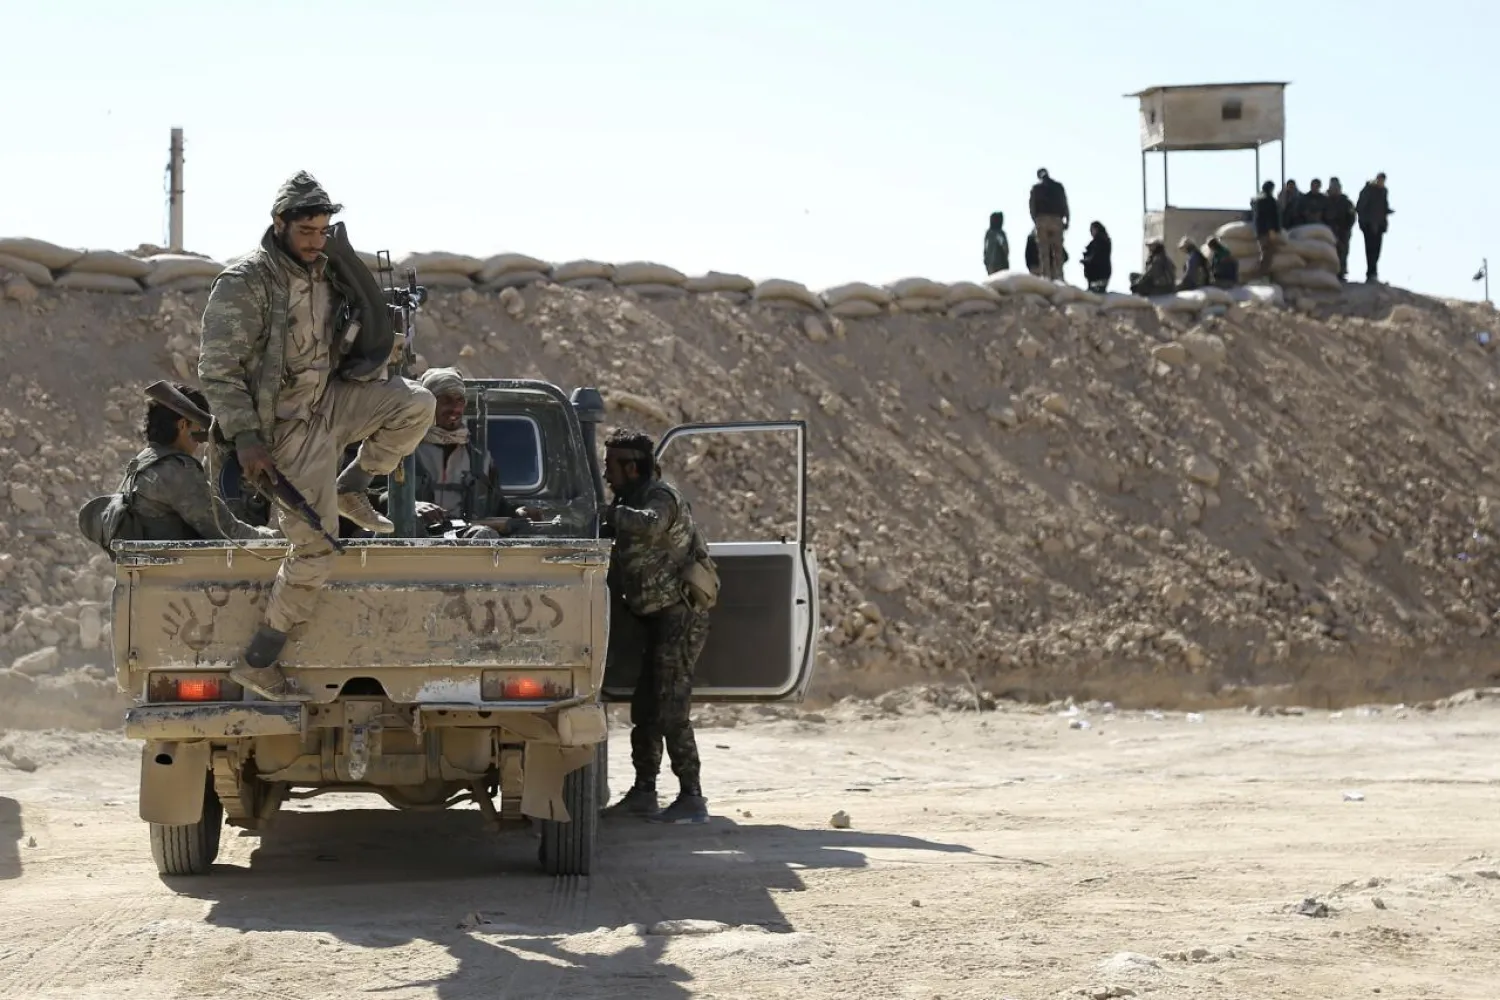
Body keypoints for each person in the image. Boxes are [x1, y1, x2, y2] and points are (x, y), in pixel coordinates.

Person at [198, 170, 436, 701]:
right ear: (279, 223)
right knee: (316, 546)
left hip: (329, 403)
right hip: (284, 428)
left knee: (417, 404)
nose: (314, 241)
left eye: (322, 231)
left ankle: (355, 485)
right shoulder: (245, 282)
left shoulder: (329, 273)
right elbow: (218, 370)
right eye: (305, 231)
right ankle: (260, 658)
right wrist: (245, 437)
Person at [599, 428, 713, 825]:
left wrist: (606, 513)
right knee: (646, 708)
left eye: (611, 465)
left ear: (632, 467)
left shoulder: (660, 497)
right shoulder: (627, 500)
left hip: (678, 617)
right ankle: (644, 791)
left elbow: (651, 525)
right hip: (653, 619)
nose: (606, 474)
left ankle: (692, 796)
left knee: (671, 709)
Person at [100, 384, 278, 543]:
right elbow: (227, 532)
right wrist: (278, 539)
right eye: (199, 427)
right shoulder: (176, 471)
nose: (201, 438)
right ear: (183, 425)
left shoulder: (141, 464)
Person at [410, 366, 531, 538]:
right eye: (446, 400)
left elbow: (496, 504)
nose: (455, 408)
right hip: (413, 542)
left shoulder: (480, 459)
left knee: (484, 536)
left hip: (465, 541)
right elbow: (377, 494)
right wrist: (411, 506)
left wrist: (517, 512)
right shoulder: (403, 450)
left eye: (460, 400)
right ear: (429, 403)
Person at [1028, 168, 1070, 281]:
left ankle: (1046, 276)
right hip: (1057, 219)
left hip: (1042, 219)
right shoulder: (1058, 187)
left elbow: (1032, 206)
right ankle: (1059, 276)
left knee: (1044, 251)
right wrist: (1067, 220)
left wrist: (1036, 220)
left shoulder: (1036, 189)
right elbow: (1065, 203)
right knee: (1058, 252)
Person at [1356, 172, 1394, 283]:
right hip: (1368, 225)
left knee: (1377, 250)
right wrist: (1367, 222)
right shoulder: (1368, 190)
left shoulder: (1384, 191)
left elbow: (1384, 206)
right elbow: (1360, 207)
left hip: (1379, 226)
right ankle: (1371, 273)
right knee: (1370, 250)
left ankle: (1373, 273)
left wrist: (1387, 211)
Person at [1325, 177, 1358, 281]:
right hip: (1328, 231)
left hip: (1343, 232)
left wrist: (1345, 229)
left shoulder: (1346, 202)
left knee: (1342, 253)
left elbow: (1352, 216)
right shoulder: (1325, 201)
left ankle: (1341, 273)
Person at [1252, 180, 1283, 277]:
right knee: (1267, 253)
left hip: (1260, 231)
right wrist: (1272, 231)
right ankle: (1261, 274)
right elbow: (1270, 216)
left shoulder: (1257, 200)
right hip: (1267, 231)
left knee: (1265, 252)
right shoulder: (1269, 200)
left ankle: (1263, 273)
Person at [1080, 222, 1112, 293]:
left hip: (1098, 274)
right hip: (1101, 274)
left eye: (1092, 230)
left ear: (1096, 229)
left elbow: (1096, 256)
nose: (1091, 232)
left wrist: (1087, 260)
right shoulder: (1103, 240)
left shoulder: (1099, 241)